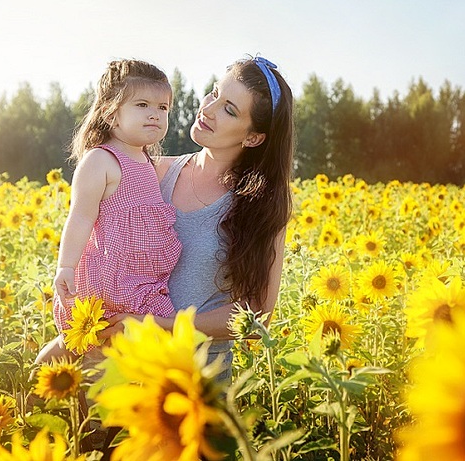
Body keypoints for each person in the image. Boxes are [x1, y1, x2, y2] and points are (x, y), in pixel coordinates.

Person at [103, 55, 294, 376]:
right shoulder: (153, 172)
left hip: (197, 379)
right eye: (214, 93)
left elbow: (257, 312)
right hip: (125, 365)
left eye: (229, 109)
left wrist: (160, 326)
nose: (208, 108)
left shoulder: (261, 205)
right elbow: (102, 256)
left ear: (253, 137)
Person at [35, 58, 181, 364]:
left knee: (135, 358)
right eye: (142, 104)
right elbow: (81, 218)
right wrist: (66, 267)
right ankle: (47, 373)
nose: (155, 114)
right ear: (110, 113)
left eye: (163, 108)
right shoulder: (101, 160)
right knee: (100, 352)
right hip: (111, 280)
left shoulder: (149, 163)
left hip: (143, 281)